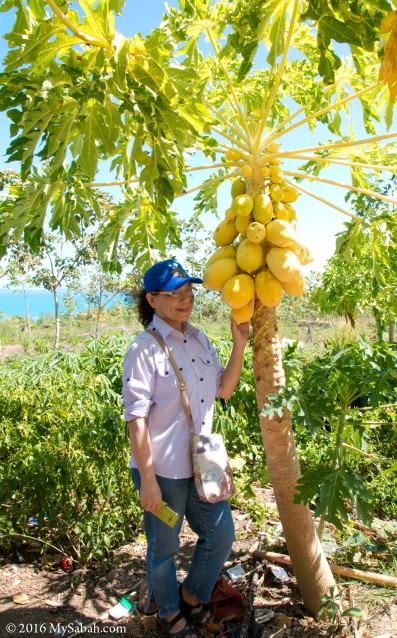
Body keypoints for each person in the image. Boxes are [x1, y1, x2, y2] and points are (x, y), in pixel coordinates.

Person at [122, 259, 250, 638]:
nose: (185, 299)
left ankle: (191, 599)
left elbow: (223, 390)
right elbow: (136, 419)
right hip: (162, 470)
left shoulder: (199, 338)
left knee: (222, 534)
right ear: (152, 299)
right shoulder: (143, 349)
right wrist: (148, 479)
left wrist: (239, 343)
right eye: (174, 294)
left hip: (203, 461)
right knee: (164, 546)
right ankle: (168, 614)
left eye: (188, 292)